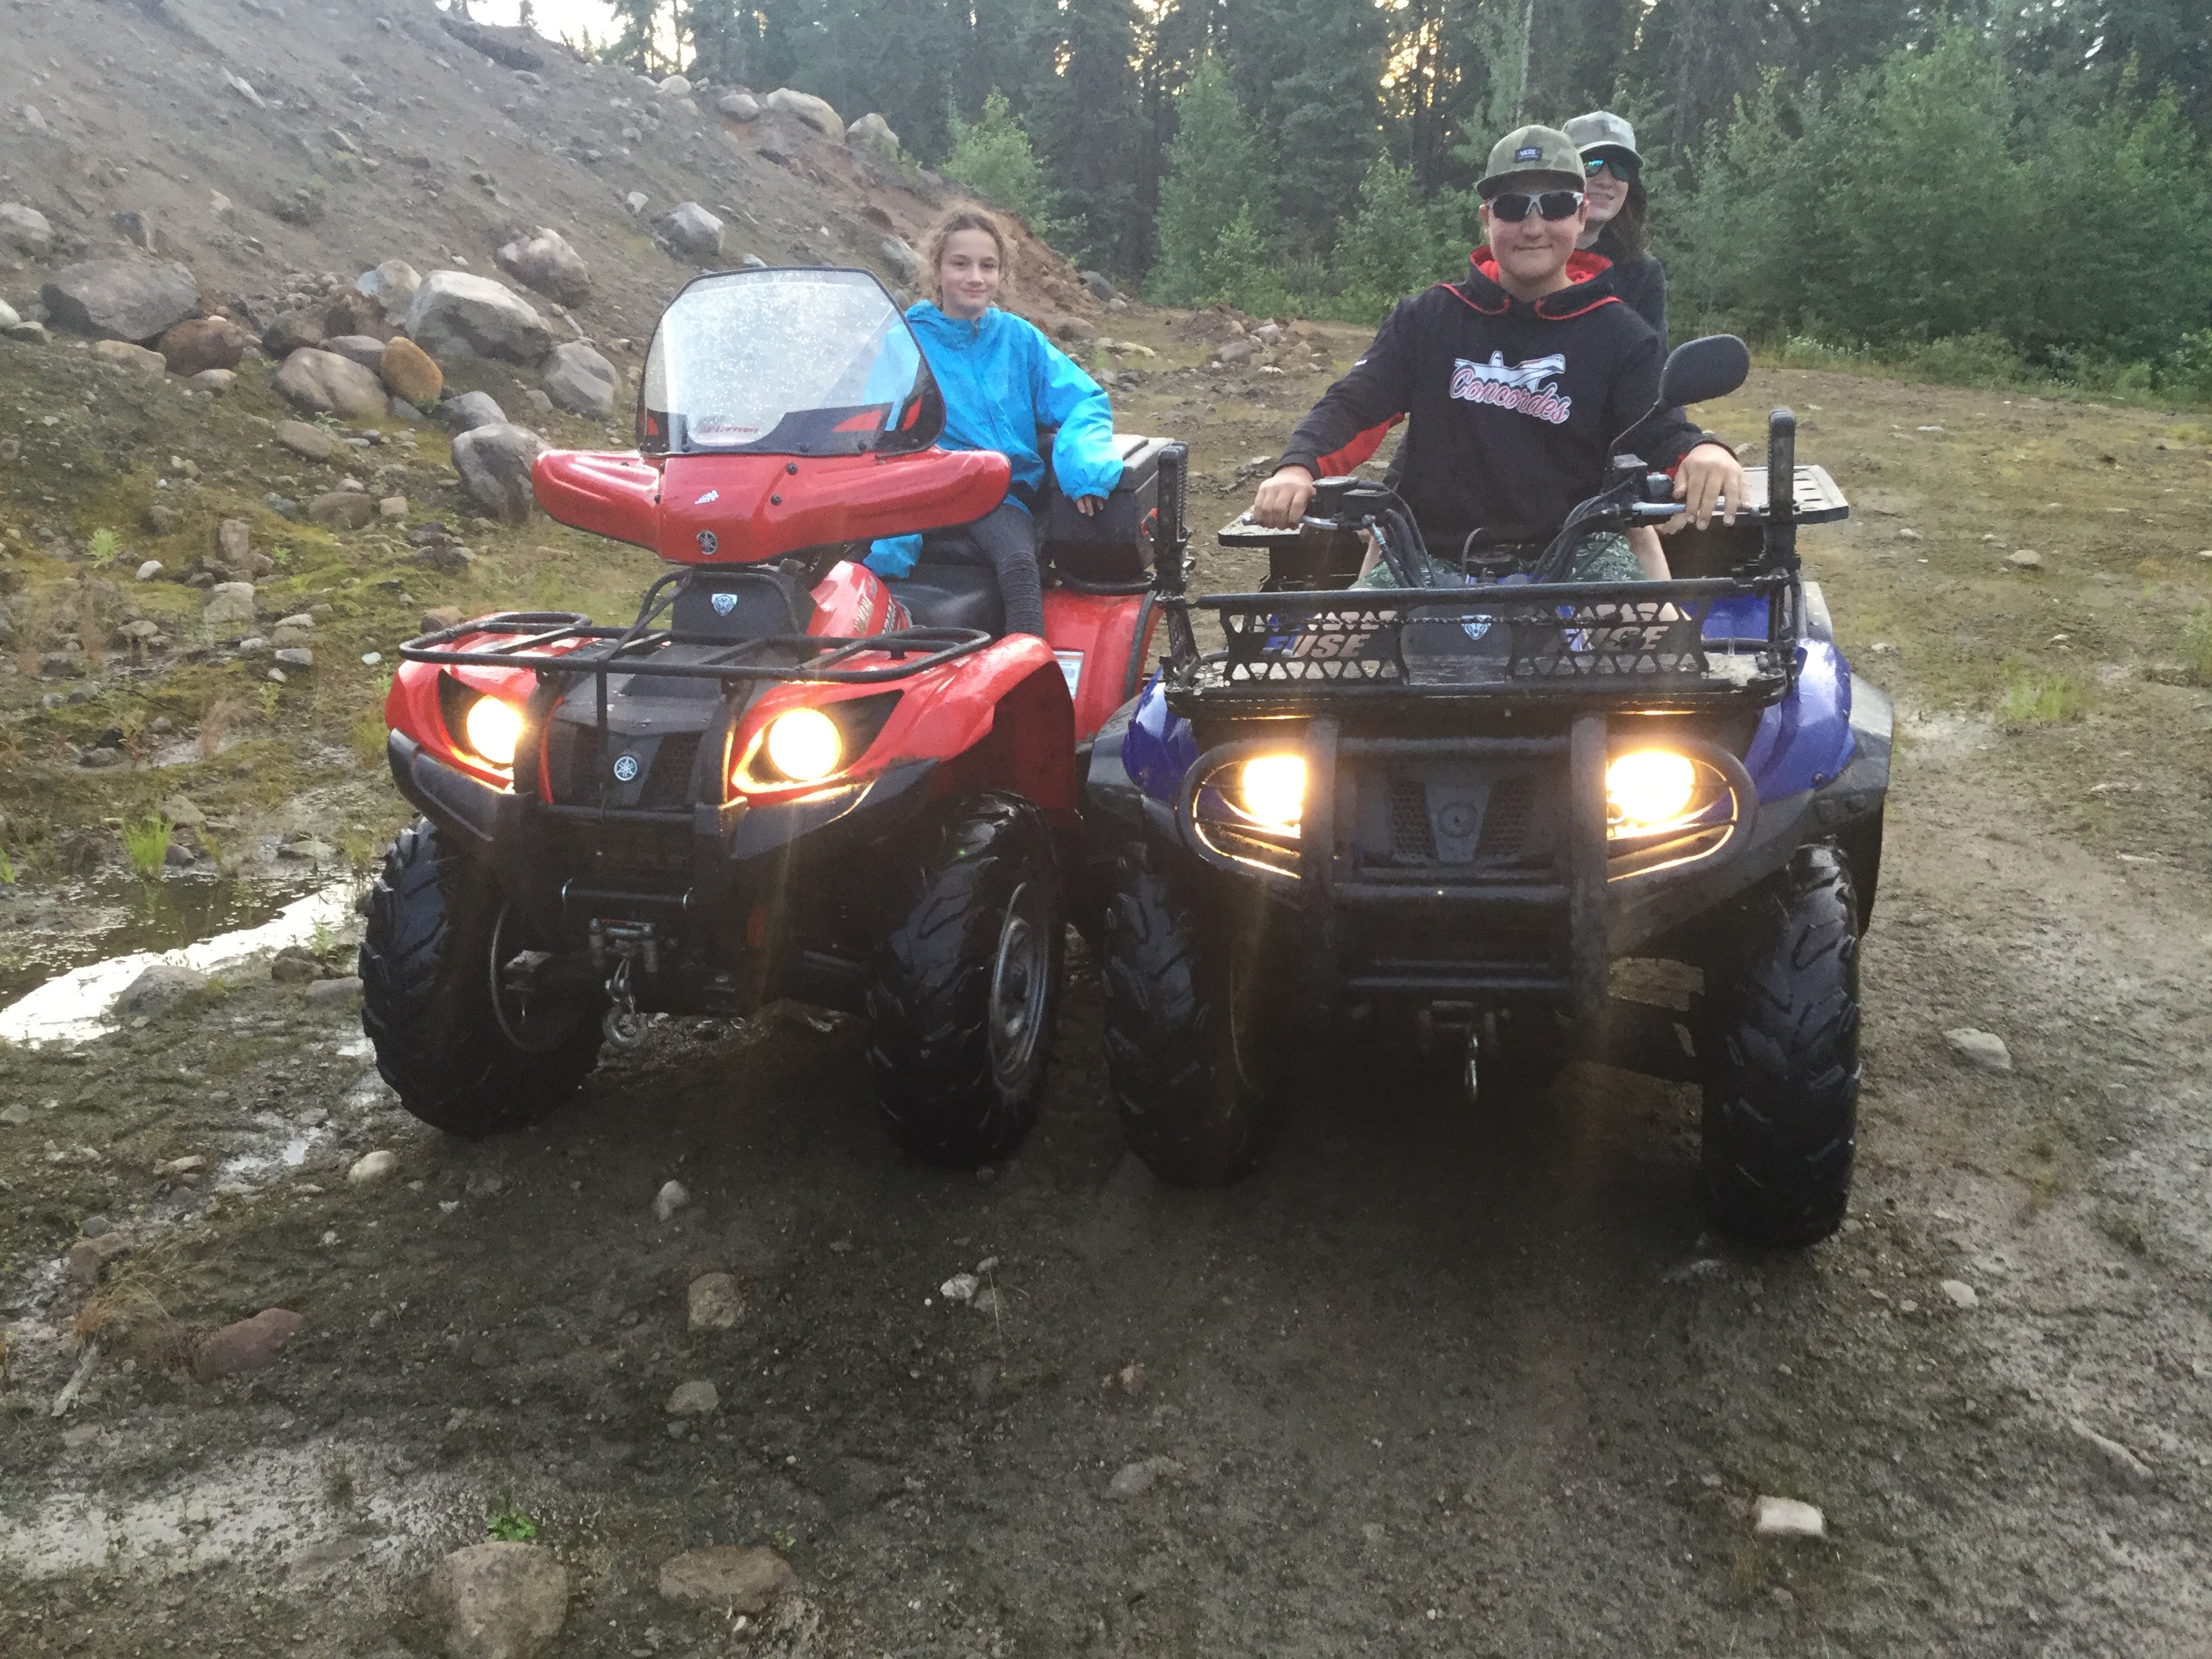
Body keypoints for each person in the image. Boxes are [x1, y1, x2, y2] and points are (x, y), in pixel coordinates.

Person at [1250, 124, 1743, 588]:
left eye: (1555, 205)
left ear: (1579, 215)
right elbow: (1355, 405)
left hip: (1578, 551)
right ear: (1487, 218)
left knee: (1657, 643)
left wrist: (1704, 452)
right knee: (1328, 644)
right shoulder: (1428, 318)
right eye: (1512, 207)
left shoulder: (1621, 334)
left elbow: (1659, 430)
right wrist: (1298, 467)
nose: (1533, 227)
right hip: (1429, 551)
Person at [863, 208, 1123, 636]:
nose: (975, 277)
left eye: (988, 266)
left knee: (1019, 566)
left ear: (1001, 273)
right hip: (920, 490)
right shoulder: (906, 341)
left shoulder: (1018, 338)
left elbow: (1084, 401)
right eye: (960, 264)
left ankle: (1032, 664)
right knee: (855, 570)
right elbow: (873, 427)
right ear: (937, 269)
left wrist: (1085, 468)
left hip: (996, 493)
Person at [1564, 110, 1664, 342]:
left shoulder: (1642, 274)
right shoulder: (1526, 258)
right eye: (1591, 164)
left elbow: (1652, 359)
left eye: (1621, 168)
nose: (1606, 180)